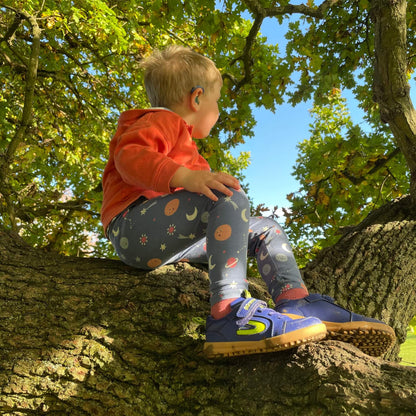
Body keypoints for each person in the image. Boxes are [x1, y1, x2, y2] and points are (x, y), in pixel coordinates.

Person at [101, 45, 395, 358]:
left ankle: (295, 303)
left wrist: (196, 180)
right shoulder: (159, 121)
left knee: (266, 228)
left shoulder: (186, 146)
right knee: (227, 197)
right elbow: (129, 159)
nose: (218, 111)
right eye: (217, 102)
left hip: (172, 243)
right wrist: (187, 178)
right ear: (197, 98)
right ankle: (228, 312)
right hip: (134, 228)